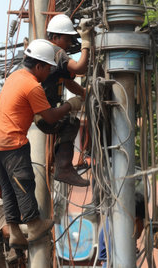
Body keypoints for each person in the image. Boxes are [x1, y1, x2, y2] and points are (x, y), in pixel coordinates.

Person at [0, 39, 84, 249]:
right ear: (38, 66)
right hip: (12, 142)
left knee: (9, 189)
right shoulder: (32, 86)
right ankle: (33, 224)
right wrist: (70, 104)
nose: (49, 72)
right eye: (48, 68)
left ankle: (14, 232)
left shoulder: (15, 77)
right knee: (24, 183)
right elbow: (49, 117)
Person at [34, 14, 94, 187]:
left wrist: (84, 93)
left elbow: (68, 82)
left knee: (67, 123)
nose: (69, 44)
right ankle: (64, 167)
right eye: (67, 39)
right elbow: (80, 68)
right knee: (71, 123)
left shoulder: (52, 57)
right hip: (46, 114)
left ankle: (61, 164)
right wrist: (86, 42)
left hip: (43, 114)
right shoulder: (55, 52)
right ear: (55, 37)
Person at [97, 192, 146, 267]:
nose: (143, 227)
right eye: (143, 222)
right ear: (136, 220)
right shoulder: (121, 239)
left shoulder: (110, 221)